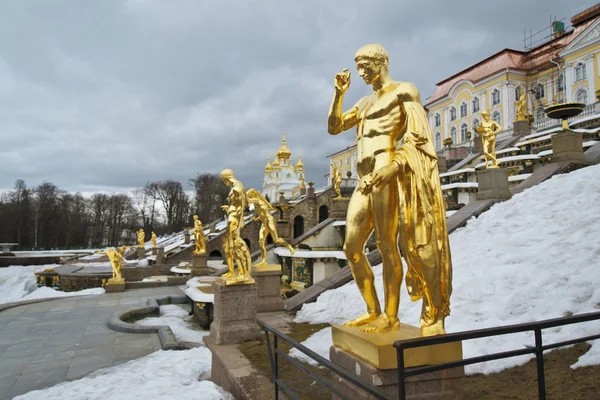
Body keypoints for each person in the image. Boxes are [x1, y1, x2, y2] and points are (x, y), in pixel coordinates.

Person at [327, 44, 452, 334]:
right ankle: (373, 310)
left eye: (365, 66)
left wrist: (393, 167)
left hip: (387, 172)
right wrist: (338, 94)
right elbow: (334, 127)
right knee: (352, 248)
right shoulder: (364, 103)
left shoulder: (404, 91)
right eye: (357, 68)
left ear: (381, 62)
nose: (361, 73)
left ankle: (391, 315)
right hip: (362, 179)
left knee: (386, 245)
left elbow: (418, 137)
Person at [247, 188, 294, 266]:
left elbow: (248, 200)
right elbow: (262, 214)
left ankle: (289, 246)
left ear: (253, 195)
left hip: (270, 221)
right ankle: (264, 261)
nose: (249, 198)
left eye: (250, 196)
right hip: (264, 223)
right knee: (261, 241)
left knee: (276, 240)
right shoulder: (256, 204)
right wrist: (256, 219)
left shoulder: (258, 201)